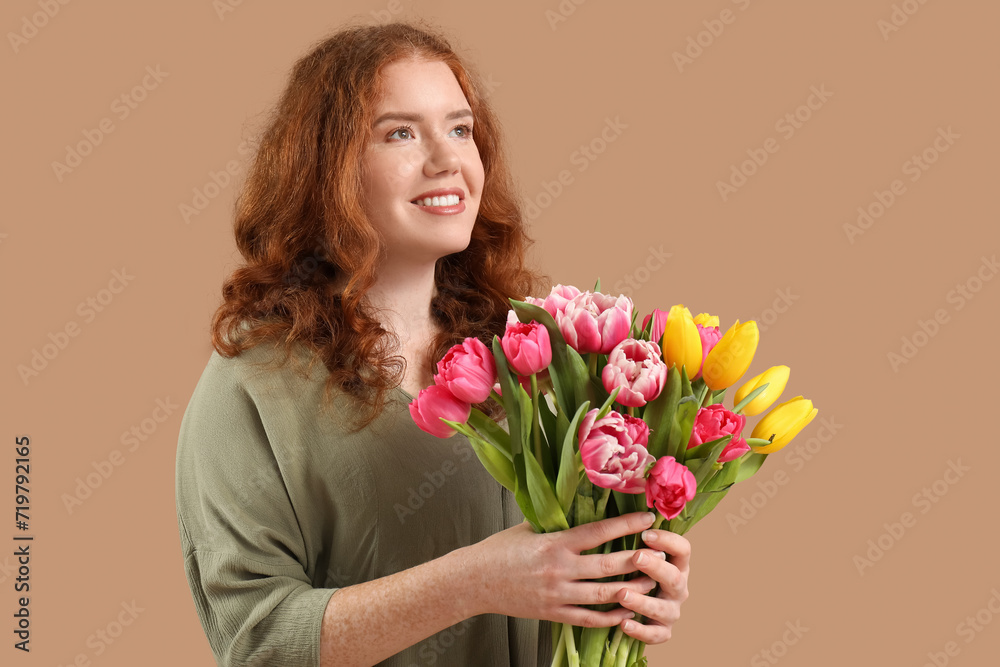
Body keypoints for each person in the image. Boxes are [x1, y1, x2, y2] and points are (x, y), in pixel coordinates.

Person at [174, 19, 691, 667]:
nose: (447, 160)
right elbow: (257, 640)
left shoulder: (535, 355)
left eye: (460, 128)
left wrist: (633, 583)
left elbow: (570, 570)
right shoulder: (251, 384)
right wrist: (473, 580)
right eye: (400, 133)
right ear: (324, 167)